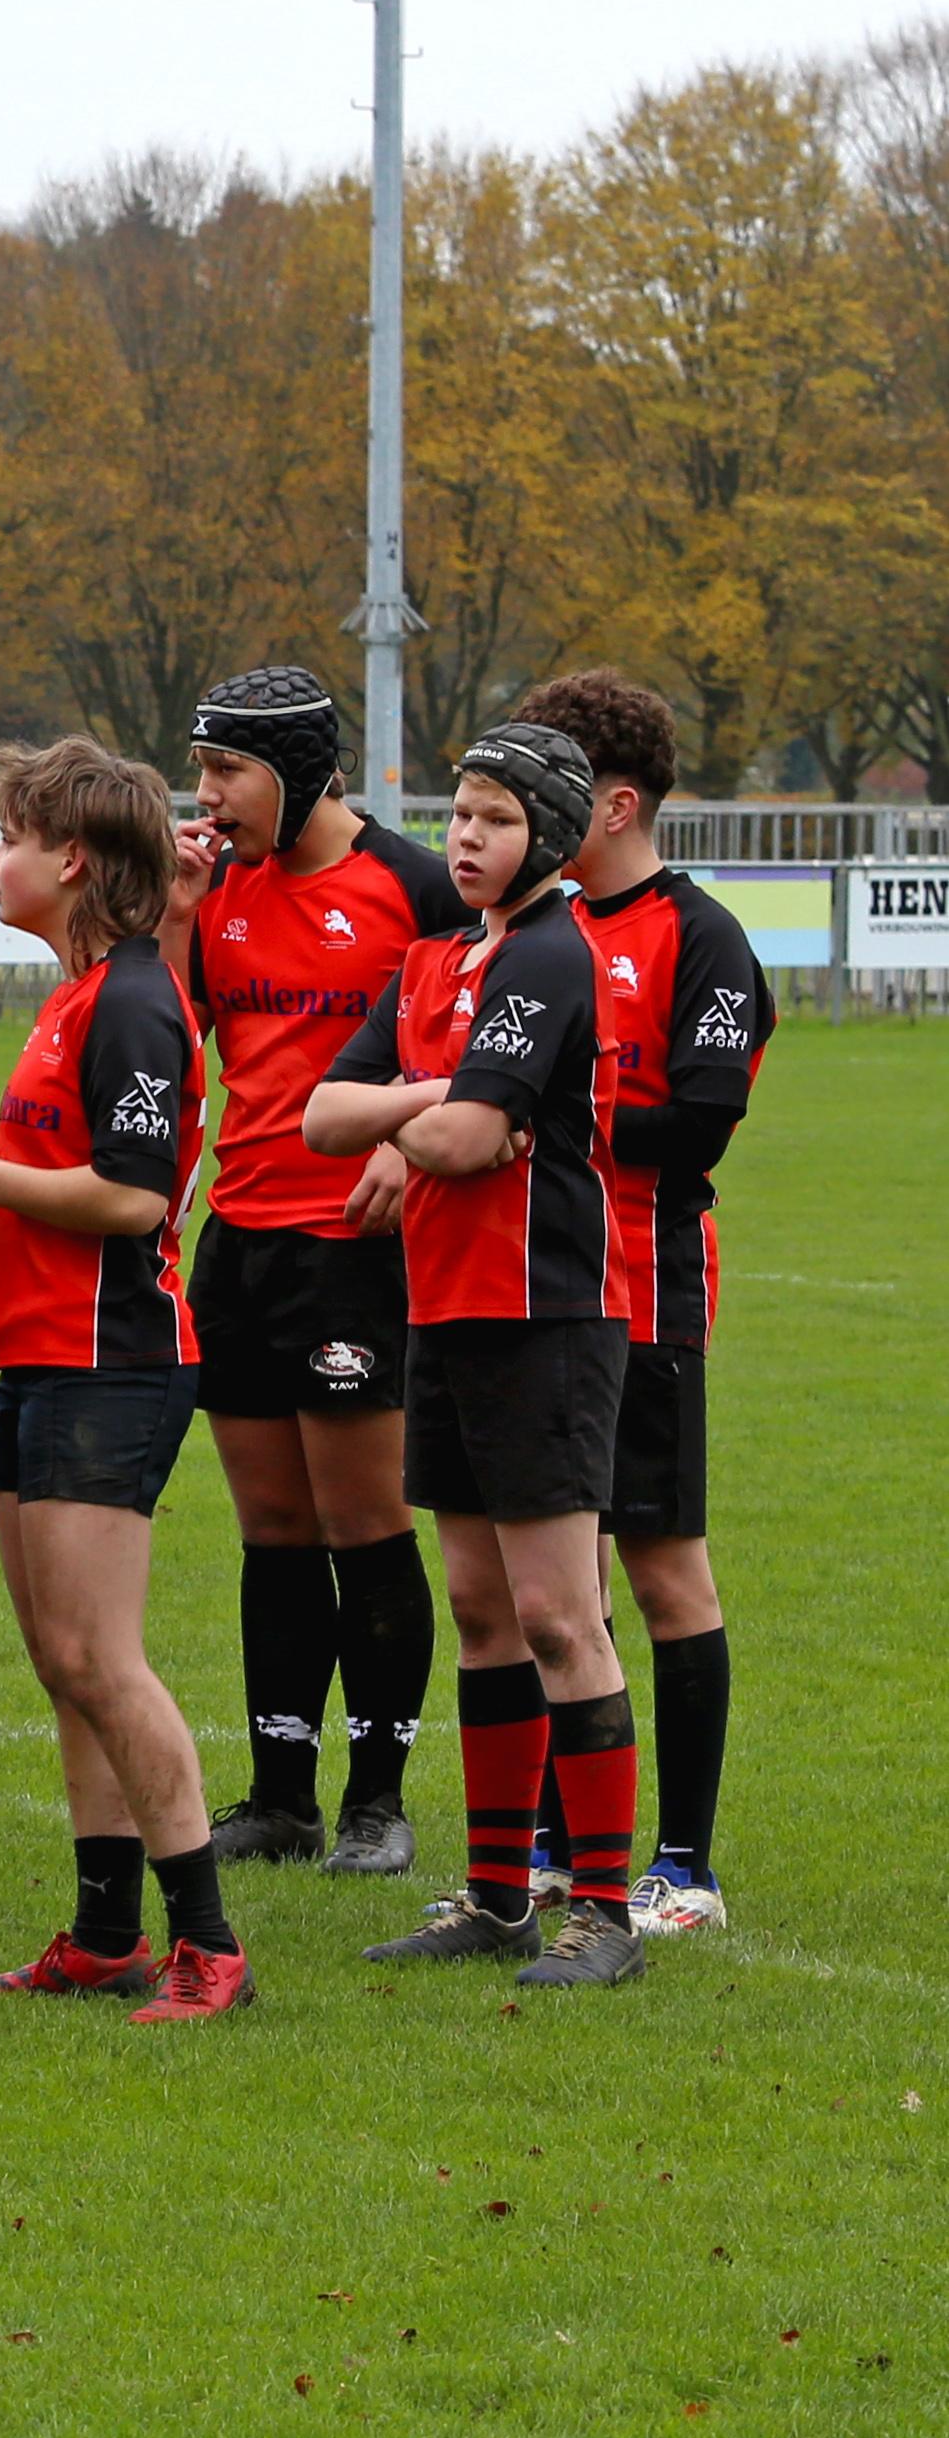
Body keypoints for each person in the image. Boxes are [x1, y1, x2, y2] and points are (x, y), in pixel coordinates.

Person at [0, 740, 249, 2021]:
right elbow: (70, 1166)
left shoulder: (131, 1000)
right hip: (40, 1362)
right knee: (59, 1659)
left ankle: (207, 1947)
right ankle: (101, 1938)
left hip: (109, 1367)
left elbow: (132, 1199)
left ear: (71, 859)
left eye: (6, 836)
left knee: (98, 1655)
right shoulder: (76, 996)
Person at [307, 719, 646, 1990]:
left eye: (494, 820)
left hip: (545, 1314)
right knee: (479, 1611)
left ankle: (601, 1912)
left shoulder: (554, 954)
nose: (463, 836)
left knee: (560, 1614)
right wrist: (434, 1097)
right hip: (443, 1310)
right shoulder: (432, 959)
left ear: (549, 841)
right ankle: (498, 1896)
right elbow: (322, 1115)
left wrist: (448, 1117)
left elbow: (460, 1146)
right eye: (455, 814)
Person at [165, 666, 466, 1878]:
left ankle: (376, 1802)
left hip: (356, 1249)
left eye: (225, 771)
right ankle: (279, 1794)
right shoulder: (220, 887)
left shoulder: (412, 887)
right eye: (202, 770)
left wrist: (405, 1144)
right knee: (271, 1527)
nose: (207, 795)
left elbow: (483, 1040)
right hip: (238, 1245)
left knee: (362, 1523)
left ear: (298, 774)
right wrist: (182, 910)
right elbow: (165, 1027)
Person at [525, 668, 767, 1936]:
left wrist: (548, 1108)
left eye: (551, 784)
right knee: (563, 1582)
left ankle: (684, 1864)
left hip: (644, 1288)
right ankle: (572, 1846)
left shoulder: (699, 936)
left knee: (661, 1567)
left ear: (613, 802)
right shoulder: (540, 930)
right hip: (535, 1293)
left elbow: (701, 1126)